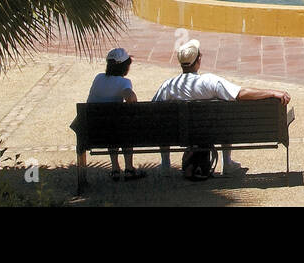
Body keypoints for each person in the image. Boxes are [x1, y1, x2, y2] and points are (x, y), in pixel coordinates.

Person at [153, 39, 291, 176]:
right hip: (212, 133)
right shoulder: (210, 82)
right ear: (198, 61)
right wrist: (272, 92)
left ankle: (165, 164)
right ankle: (227, 163)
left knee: (164, 118)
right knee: (225, 118)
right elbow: (240, 94)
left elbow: (153, 111)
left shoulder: (169, 85)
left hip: (179, 135)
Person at [86, 47, 144, 181]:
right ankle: (129, 168)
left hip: (94, 132)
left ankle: (115, 168)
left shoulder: (98, 78)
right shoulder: (124, 82)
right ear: (125, 66)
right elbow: (130, 97)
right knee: (123, 125)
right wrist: (131, 96)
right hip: (116, 131)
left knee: (111, 125)